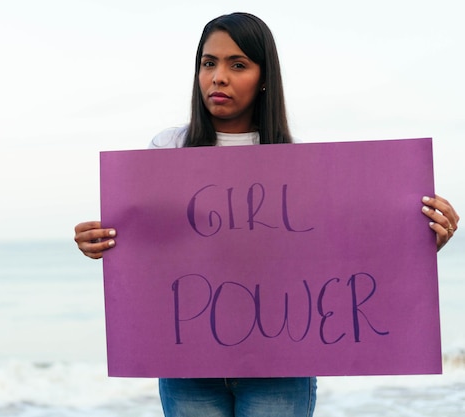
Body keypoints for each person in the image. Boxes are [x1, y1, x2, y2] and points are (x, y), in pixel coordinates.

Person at [73, 12, 460, 417]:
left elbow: (341, 253)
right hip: (187, 361)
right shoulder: (168, 148)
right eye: (209, 63)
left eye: (237, 64)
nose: (218, 77)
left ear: (263, 77)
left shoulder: (297, 161)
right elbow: (151, 244)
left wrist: (419, 239)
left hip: (281, 364)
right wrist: (102, 242)